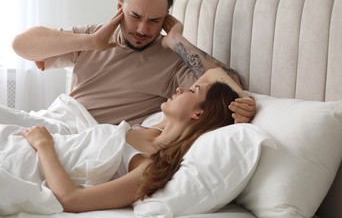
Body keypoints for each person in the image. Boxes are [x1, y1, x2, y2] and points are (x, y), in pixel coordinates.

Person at [12, 0, 256, 126]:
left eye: (154, 21)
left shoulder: (172, 59)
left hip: (90, 135)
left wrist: (177, 41)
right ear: (120, 6)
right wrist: (90, 42)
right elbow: (21, 46)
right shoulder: (95, 35)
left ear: (166, 18)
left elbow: (230, 85)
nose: (142, 29)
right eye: (135, 15)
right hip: (58, 119)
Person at [22, 68, 242, 212]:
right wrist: (244, 99)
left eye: (192, 90)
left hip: (36, 156)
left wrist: (44, 144)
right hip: (34, 142)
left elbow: (71, 200)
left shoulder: (150, 165)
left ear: (198, 114)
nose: (180, 88)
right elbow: (214, 73)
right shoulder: (156, 129)